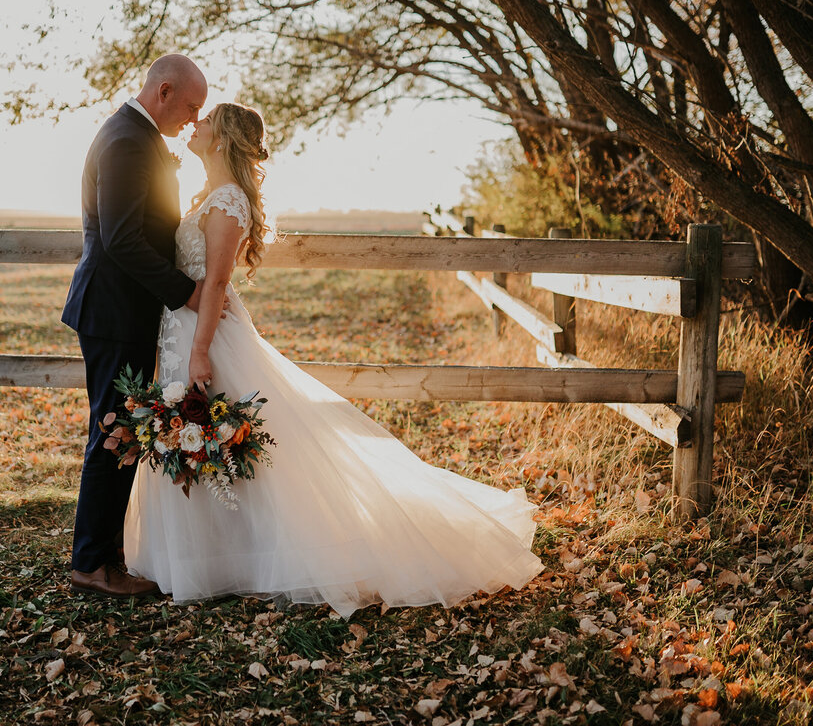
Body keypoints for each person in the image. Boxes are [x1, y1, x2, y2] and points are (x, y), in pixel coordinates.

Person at [123, 103, 544, 617]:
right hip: (180, 331)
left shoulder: (229, 200)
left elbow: (215, 282)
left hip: (205, 335)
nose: (196, 124)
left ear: (223, 138)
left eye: (206, 119)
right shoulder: (209, 194)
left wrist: (200, 352)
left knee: (229, 441)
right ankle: (208, 556)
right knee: (205, 440)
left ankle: (250, 556)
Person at [61, 54, 208, 597]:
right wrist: (186, 291)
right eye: (191, 106)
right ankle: (92, 566)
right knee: (113, 432)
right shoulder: (126, 140)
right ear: (164, 91)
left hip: (123, 310)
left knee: (121, 431)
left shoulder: (137, 136)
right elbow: (121, 239)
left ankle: (104, 554)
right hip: (112, 309)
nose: (194, 119)